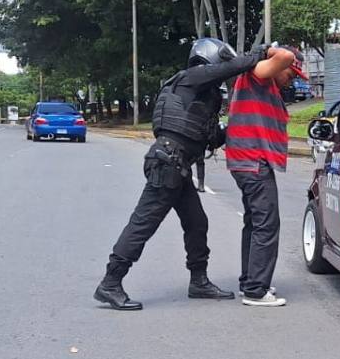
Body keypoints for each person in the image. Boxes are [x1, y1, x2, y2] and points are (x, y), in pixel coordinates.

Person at [94, 38, 271, 311]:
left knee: (197, 223)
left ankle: (198, 281)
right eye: (221, 62)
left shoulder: (198, 93)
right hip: (167, 164)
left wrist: (237, 127)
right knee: (143, 224)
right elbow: (229, 69)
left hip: (177, 166)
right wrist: (256, 55)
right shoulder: (189, 78)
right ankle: (110, 282)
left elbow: (209, 138)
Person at [226, 45, 306, 307]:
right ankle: (256, 290)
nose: (291, 80)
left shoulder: (262, 81)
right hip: (252, 161)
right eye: (291, 74)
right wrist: (268, 50)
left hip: (248, 161)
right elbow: (284, 57)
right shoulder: (259, 73)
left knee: (254, 222)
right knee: (266, 224)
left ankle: (250, 281)